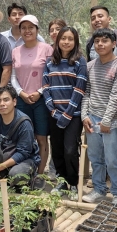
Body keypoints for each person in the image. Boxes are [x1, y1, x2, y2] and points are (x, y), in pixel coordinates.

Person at [81, 28, 117, 205]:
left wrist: (107, 121)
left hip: (112, 122)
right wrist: (84, 116)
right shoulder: (90, 66)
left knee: (112, 159)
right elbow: (86, 92)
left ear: (114, 43)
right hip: (92, 119)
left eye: (105, 41)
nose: (100, 44)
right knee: (96, 158)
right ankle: (99, 189)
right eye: (97, 41)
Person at [43, 26, 87, 199]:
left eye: (70, 38)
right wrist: (53, 111)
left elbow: (79, 89)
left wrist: (67, 114)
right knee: (58, 149)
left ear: (75, 41)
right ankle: (61, 181)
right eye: (63, 38)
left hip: (72, 116)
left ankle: (74, 183)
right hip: (54, 115)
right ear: (57, 40)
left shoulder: (79, 61)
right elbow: (45, 87)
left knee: (70, 150)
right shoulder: (50, 62)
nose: (66, 42)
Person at [10, 15, 53, 186]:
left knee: (41, 138)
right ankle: (25, 172)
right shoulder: (15, 51)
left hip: (42, 100)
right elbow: (13, 76)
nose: (27, 31)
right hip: (21, 100)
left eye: (31, 27)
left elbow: (51, 75)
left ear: (37, 30)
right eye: (24, 28)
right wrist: (20, 93)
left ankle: (40, 176)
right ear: (20, 31)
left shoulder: (47, 49)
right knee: (24, 138)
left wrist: (40, 91)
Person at [45, 18, 68, 180]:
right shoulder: (47, 50)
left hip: (69, 105)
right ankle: (54, 169)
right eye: (51, 29)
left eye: (58, 29)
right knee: (54, 139)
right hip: (50, 102)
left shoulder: (72, 51)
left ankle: (70, 173)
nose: (54, 32)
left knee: (70, 143)